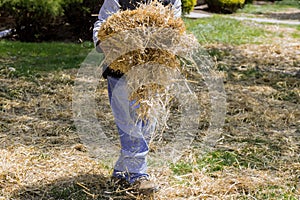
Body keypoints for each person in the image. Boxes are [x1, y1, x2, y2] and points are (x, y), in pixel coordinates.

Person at [93, 0, 182, 193]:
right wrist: (104, 43)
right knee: (128, 123)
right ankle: (139, 176)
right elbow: (101, 24)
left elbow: (175, 26)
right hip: (120, 70)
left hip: (152, 72)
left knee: (148, 125)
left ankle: (120, 174)